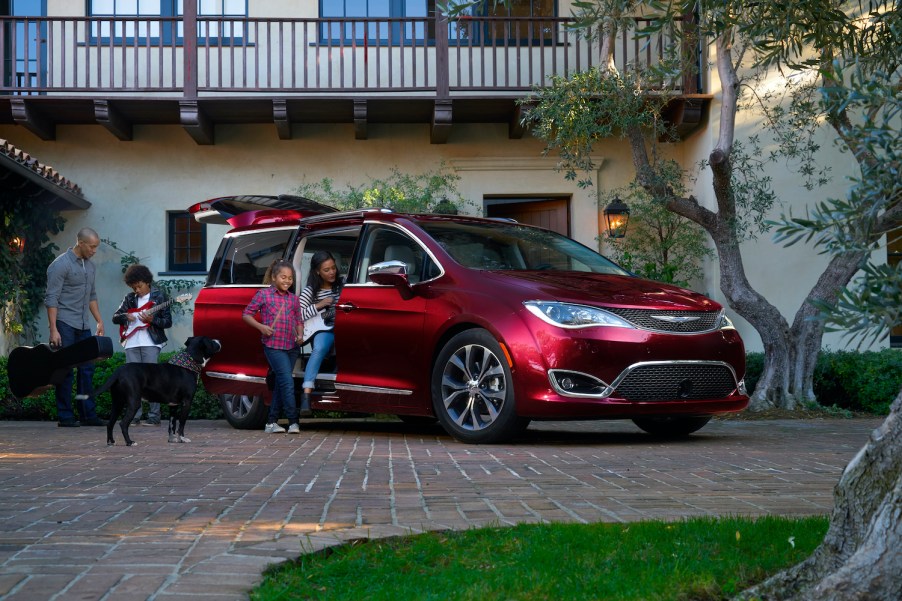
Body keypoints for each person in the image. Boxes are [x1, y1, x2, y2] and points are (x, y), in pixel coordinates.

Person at [44, 227, 105, 427]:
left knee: (87, 370)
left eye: (97, 247)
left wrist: (99, 320)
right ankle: (65, 416)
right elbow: (51, 298)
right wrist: (53, 329)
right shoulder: (60, 265)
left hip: (83, 325)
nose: (94, 250)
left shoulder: (91, 266)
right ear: (81, 243)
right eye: (92, 246)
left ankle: (87, 415)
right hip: (64, 323)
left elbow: (92, 295)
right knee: (65, 369)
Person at [243, 259, 304, 434]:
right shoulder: (264, 295)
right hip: (274, 346)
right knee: (287, 381)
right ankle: (293, 422)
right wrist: (261, 327)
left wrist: (300, 335)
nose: (287, 281)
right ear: (274, 278)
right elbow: (246, 314)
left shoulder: (293, 299)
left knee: (280, 383)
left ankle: (271, 422)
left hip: (292, 346)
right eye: (283, 277)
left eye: (290, 278)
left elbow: (298, 320)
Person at [110, 264, 173, 426]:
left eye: (139, 286)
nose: (137, 290)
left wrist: (153, 320)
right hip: (131, 342)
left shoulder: (159, 297)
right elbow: (115, 317)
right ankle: (134, 415)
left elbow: (167, 322)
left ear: (147, 282)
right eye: (134, 287)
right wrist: (126, 316)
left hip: (150, 342)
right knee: (132, 380)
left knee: (153, 380)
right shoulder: (129, 298)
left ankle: (154, 416)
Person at [299, 250, 341, 416]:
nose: (332, 272)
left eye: (333, 268)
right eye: (326, 270)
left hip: (342, 326)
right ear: (317, 271)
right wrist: (319, 304)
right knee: (320, 347)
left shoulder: (341, 284)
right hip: (322, 329)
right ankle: (306, 394)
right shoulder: (311, 291)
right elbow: (298, 314)